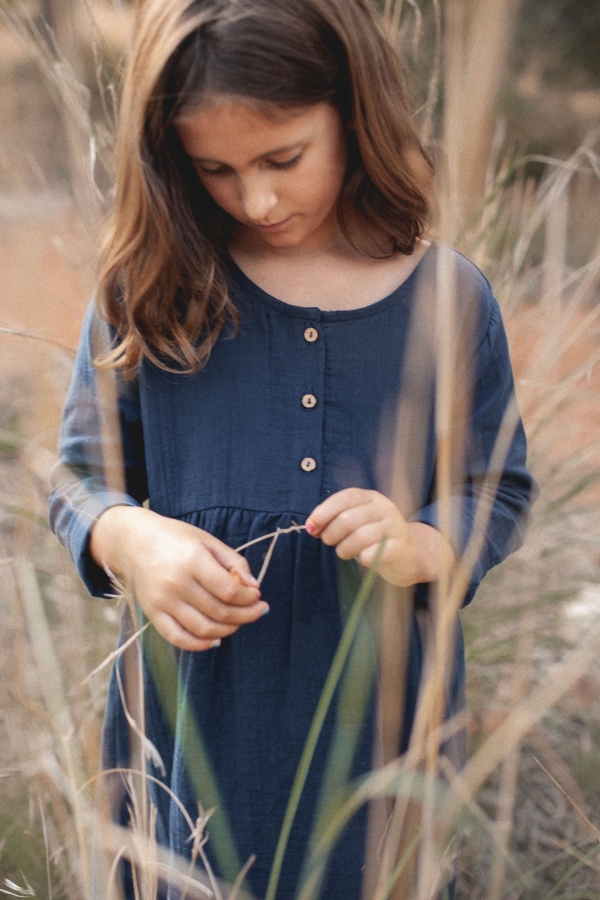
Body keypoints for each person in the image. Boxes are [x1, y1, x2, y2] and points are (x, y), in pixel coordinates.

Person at [49, 0, 535, 897]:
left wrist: (426, 540)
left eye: (283, 159)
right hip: (190, 734)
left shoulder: (448, 298)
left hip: (381, 739)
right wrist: (131, 540)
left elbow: (494, 484)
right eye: (216, 170)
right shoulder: (149, 287)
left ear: (353, 113)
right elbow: (79, 478)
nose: (258, 199)